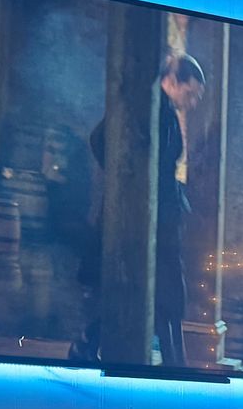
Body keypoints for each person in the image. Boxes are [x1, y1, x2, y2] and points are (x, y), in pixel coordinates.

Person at [85, 52, 206, 366]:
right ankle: (171, 364)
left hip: (159, 217)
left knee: (162, 295)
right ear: (171, 81)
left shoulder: (164, 110)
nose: (192, 102)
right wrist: (128, 183)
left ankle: (172, 362)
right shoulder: (147, 106)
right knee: (149, 293)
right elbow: (100, 139)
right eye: (190, 93)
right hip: (141, 220)